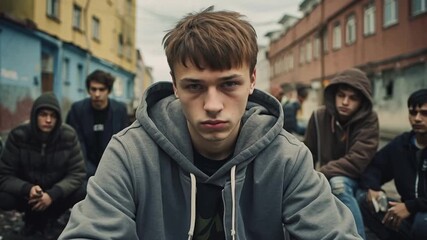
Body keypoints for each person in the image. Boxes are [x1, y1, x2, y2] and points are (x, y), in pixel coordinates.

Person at [59, 8, 362, 239]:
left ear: (252, 80)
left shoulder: (287, 158)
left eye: (229, 84)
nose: (213, 105)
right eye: (194, 86)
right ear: (175, 86)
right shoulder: (130, 153)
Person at [304, 68, 379, 239]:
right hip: (325, 176)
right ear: (333, 95)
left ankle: (357, 237)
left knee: (338, 184)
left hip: (357, 180)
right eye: (341, 95)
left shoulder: (369, 119)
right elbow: (308, 153)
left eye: (353, 98)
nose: (345, 102)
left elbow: (356, 161)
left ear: (362, 102)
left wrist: (321, 173)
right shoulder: (318, 116)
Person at [0, 92, 86, 238]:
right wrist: (28, 189)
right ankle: (30, 221)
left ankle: (54, 220)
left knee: (83, 190)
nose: (48, 120)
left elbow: (77, 173)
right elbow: (4, 175)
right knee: (4, 197)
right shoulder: (18, 135)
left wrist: (53, 194)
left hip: (56, 194)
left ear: (58, 118)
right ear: (34, 115)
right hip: (28, 195)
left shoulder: (68, 135)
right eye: (43, 114)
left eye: (53, 116)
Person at [357, 89, 427, 240]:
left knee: (422, 223)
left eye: (424, 113)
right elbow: (374, 167)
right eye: (413, 113)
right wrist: (374, 189)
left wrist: (411, 206)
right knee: (365, 200)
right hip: (407, 212)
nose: (417, 119)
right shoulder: (402, 144)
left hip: (421, 214)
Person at [66, 69, 129, 178]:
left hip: (113, 170)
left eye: (101, 89)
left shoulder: (120, 110)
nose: (97, 94)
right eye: (93, 89)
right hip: (84, 171)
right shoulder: (77, 110)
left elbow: (124, 142)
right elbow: (76, 143)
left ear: (108, 91)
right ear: (88, 90)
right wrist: (90, 172)